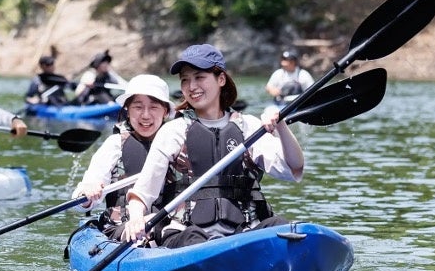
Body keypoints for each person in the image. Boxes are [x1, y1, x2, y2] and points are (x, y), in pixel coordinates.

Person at [120, 44, 305, 248]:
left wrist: (281, 126)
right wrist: (136, 217)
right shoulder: (174, 131)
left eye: (199, 77)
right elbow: (143, 193)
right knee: (193, 238)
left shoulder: (248, 126)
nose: (191, 87)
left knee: (280, 226)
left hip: (243, 234)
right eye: (185, 80)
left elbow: (294, 167)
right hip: (186, 235)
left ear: (221, 79)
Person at [70, 74, 174, 238]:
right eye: (138, 107)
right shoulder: (114, 144)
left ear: (166, 112)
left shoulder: (177, 144)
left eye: (154, 107)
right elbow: (82, 201)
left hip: (167, 226)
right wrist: (87, 193)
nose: (145, 115)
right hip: (121, 227)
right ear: (127, 109)